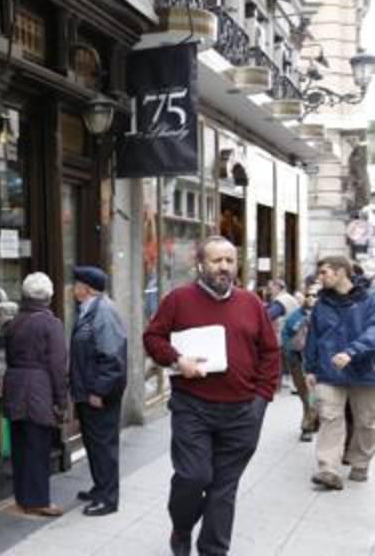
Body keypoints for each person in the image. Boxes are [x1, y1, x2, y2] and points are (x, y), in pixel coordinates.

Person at [144, 236, 280, 556]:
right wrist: (178, 360)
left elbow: (271, 353)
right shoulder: (178, 300)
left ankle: (213, 550)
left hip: (243, 412)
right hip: (193, 407)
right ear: (201, 265)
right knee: (193, 477)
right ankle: (181, 527)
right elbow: (152, 338)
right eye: (217, 260)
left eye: (230, 261)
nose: (224, 267)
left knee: (223, 491)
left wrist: (260, 400)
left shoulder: (251, 303)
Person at [303, 255, 375, 490]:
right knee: (330, 417)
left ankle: (360, 463)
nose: (319, 277)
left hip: (364, 371)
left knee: (366, 422)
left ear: (341, 272)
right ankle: (328, 469)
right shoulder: (321, 303)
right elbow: (313, 336)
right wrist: (310, 368)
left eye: (324, 272)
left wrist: (352, 352)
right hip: (328, 370)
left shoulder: (370, 299)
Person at [1, 272, 69, 518]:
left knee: (20, 444)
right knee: (38, 445)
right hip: (38, 388)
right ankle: (38, 501)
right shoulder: (51, 324)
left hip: (15, 384)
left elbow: (8, 356)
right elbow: (58, 365)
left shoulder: (14, 322)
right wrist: (62, 401)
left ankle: (22, 498)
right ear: (49, 297)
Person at [69, 265, 128, 517]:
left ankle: (108, 498)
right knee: (94, 444)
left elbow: (112, 359)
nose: (73, 287)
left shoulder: (103, 312)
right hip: (87, 392)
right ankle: (100, 487)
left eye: (77, 283)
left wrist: (98, 391)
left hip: (98, 396)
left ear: (87, 289)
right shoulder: (89, 311)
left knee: (104, 446)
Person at [280, 287, 319, 441]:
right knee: (306, 395)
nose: (311, 297)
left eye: (315, 295)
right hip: (298, 360)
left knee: (313, 395)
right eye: (308, 295)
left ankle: (308, 426)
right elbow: (285, 335)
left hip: (318, 362)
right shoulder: (296, 315)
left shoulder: (324, 314)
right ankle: (310, 422)